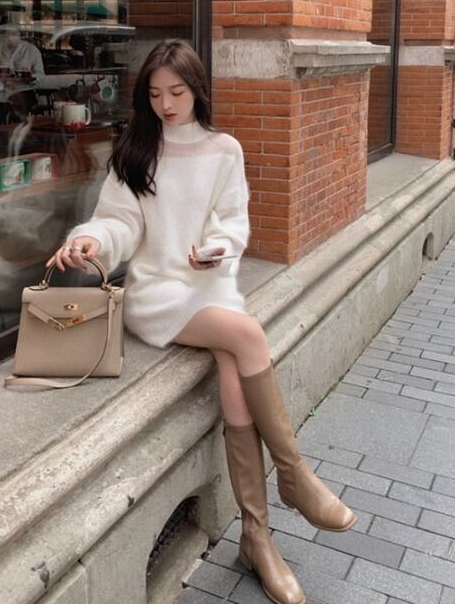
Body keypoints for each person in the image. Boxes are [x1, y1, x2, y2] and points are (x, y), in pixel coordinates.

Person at [49, 39, 356, 604]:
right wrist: (91, 240)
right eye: (155, 94)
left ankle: (257, 537)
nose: (166, 105)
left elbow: (233, 222)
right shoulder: (136, 151)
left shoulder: (224, 150)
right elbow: (118, 223)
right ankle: (294, 475)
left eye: (177, 92)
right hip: (157, 293)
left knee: (233, 364)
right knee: (247, 334)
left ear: (196, 90)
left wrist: (216, 249)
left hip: (207, 286)